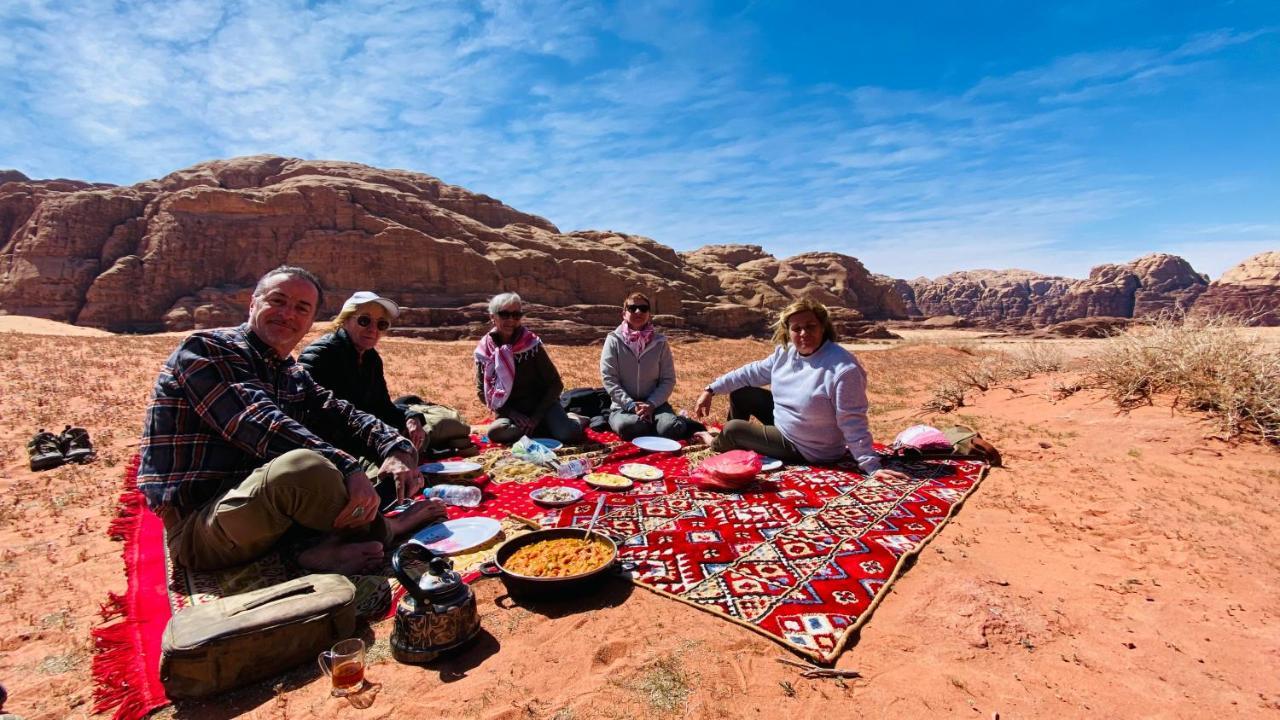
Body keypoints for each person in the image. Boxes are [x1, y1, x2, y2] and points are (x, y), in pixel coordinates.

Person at [138, 266, 446, 575]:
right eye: (278, 301)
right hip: (203, 522)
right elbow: (258, 423)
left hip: (272, 505)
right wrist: (347, 467)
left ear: (311, 320)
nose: (288, 314)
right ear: (252, 304)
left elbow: (344, 412)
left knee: (374, 468)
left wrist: (396, 446)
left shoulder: (289, 371)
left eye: (301, 308)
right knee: (306, 467)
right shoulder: (207, 350)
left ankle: (309, 551)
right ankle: (386, 528)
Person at [693, 298, 910, 481]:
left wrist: (870, 464)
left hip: (808, 447)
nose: (804, 333)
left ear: (823, 327)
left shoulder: (843, 369)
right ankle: (735, 448)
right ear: (787, 332)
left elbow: (852, 419)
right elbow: (750, 373)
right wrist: (711, 389)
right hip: (786, 423)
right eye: (796, 328)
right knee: (743, 393)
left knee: (733, 429)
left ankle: (718, 442)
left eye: (811, 326)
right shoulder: (785, 353)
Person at [298, 291, 429, 485]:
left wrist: (410, 418)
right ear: (345, 320)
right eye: (365, 321)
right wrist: (385, 441)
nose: (373, 329)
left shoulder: (371, 358)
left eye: (381, 324)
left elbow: (382, 405)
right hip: (337, 447)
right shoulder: (319, 356)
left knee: (422, 435)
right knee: (396, 474)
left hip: (370, 434)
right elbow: (323, 420)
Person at [474, 292, 585, 445]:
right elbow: (482, 391)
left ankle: (574, 419)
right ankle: (540, 428)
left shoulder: (531, 345)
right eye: (504, 314)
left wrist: (537, 416)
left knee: (566, 434)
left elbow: (555, 384)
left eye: (516, 315)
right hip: (512, 412)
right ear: (492, 317)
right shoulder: (484, 351)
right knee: (496, 433)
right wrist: (512, 413)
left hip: (542, 407)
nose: (511, 320)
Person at [599, 291, 690, 440]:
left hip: (656, 405)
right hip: (623, 407)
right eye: (632, 308)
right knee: (629, 427)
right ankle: (650, 423)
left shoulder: (660, 342)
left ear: (649, 314)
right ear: (624, 313)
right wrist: (630, 405)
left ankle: (662, 422)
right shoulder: (614, 340)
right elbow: (609, 378)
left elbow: (668, 379)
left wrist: (651, 404)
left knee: (671, 429)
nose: (638, 311)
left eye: (643, 308)